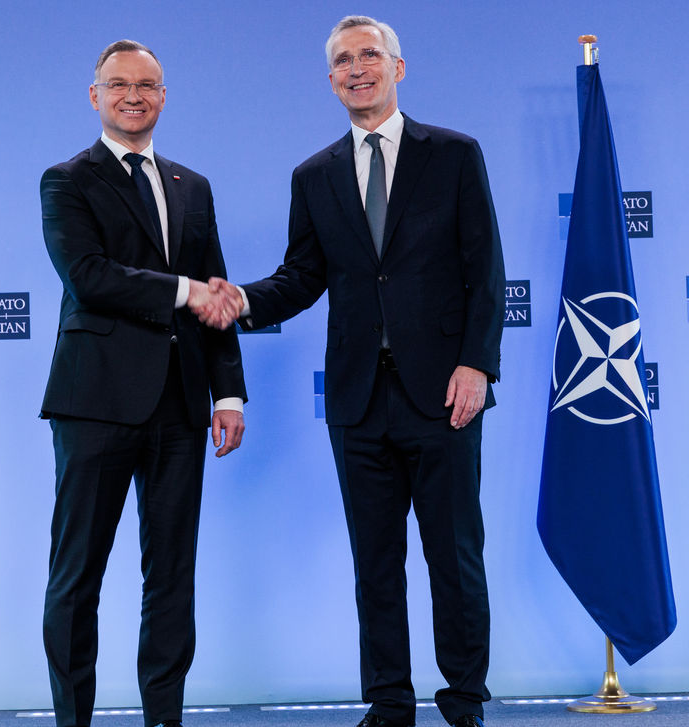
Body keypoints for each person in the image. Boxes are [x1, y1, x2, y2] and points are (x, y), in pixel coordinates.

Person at [203, 15, 504, 727]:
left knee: (454, 557)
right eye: (343, 60)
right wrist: (242, 300)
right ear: (330, 79)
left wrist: (477, 364)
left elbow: (484, 270)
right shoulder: (315, 175)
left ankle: (464, 701)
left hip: (444, 393)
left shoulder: (456, 155)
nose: (357, 68)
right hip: (357, 402)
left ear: (399, 67)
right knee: (375, 562)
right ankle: (390, 701)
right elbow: (303, 276)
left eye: (371, 55)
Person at [39, 39, 248, 727]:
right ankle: (75, 720)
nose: (134, 95)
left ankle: (165, 718)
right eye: (119, 83)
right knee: (78, 577)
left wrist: (227, 391)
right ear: (93, 94)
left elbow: (215, 296)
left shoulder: (193, 186)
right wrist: (186, 291)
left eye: (148, 84)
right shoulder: (67, 180)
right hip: (95, 404)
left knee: (170, 578)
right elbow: (90, 278)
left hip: (181, 407)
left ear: (164, 96)